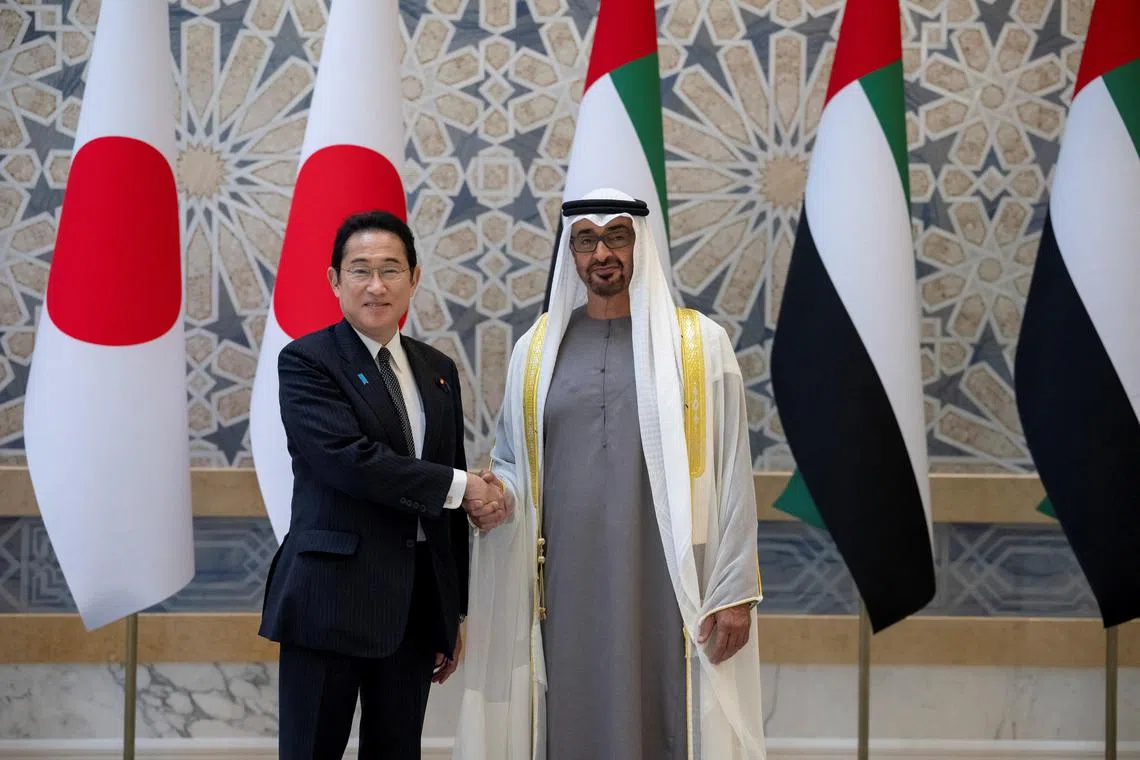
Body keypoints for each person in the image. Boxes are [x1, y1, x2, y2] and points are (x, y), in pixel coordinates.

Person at [454, 188, 767, 759]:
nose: (602, 253)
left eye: (617, 236)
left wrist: (735, 591)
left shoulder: (699, 346)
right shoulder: (535, 351)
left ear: (640, 243)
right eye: (586, 240)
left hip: (671, 584)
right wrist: (497, 495)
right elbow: (514, 464)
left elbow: (731, 472)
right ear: (571, 253)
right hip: (564, 586)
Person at [258, 210, 509, 760]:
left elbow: (444, 495)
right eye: (360, 270)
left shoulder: (437, 369)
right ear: (335, 280)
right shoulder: (307, 361)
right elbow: (349, 462)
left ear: (414, 279)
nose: (376, 285)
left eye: (391, 269)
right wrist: (463, 486)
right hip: (329, 600)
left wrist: (450, 612)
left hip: (413, 610)